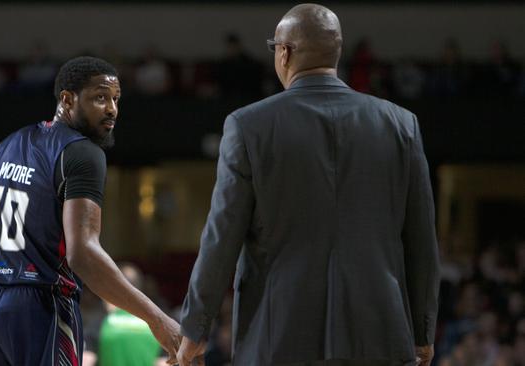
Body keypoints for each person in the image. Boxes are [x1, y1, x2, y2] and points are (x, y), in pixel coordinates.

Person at [177, 4, 440, 366]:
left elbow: (222, 235)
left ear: (283, 52)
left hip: (278, 337)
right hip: (380, 335)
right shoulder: (401, 124)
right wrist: (424, 331)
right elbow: (422, 240)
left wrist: (195, 328)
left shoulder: (248, 126)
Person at [0, 56, 180, 366]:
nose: (111, 109)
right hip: (42, 308)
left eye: (116, 99)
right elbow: (83, 255)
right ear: (67, 99)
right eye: (100, 97)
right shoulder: (83, 153)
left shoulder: (9, 144)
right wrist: (157, 319)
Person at [97, 263, 165, 366]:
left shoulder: (101, 323)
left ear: (111, 290)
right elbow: (163, 363)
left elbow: (86, 360)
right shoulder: (157, 325)